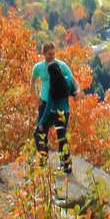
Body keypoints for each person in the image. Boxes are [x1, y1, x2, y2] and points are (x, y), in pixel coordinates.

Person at [32, 41, 77, 174]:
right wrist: (36, 97)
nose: (52, 56)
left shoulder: (61, 66)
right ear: (43, 54)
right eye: (49, 54)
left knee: (60, 136)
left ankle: (66, 166)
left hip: (54, 105)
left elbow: (73, 80)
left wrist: (78, 90)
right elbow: (32, 81)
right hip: (44, 103)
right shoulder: (38, 67)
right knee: (41, 134)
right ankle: (43, 160)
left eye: (53, 53)